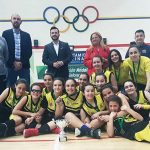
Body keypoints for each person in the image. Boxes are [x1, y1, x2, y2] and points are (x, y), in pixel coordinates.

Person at [2, 14, 32, 88]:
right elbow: (5, 51)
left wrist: (21, 63)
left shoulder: (26, 35)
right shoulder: (5, 34)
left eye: (18, 19)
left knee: (26, 88)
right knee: (8, 89)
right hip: (10, 66)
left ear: (21, 21)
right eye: (14, 18)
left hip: (24, 66)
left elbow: (29, 52)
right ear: (11, 20)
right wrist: (13, 63)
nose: (16, 20)